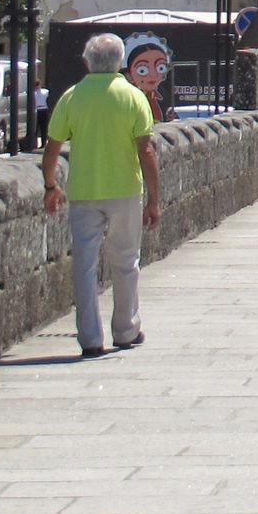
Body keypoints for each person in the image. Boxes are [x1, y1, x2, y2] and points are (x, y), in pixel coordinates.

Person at [41, 33, 160, 359]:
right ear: (121, 64)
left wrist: (51, 186)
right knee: (125, 262)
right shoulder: (134, 97)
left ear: (86, 62)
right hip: (124, 190)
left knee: (84, 265)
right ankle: (126, 329)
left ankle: (90, 338)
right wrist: (153, 199)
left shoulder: (72, 97)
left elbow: (52, 150)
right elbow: (146, 151)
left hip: (84, 192)